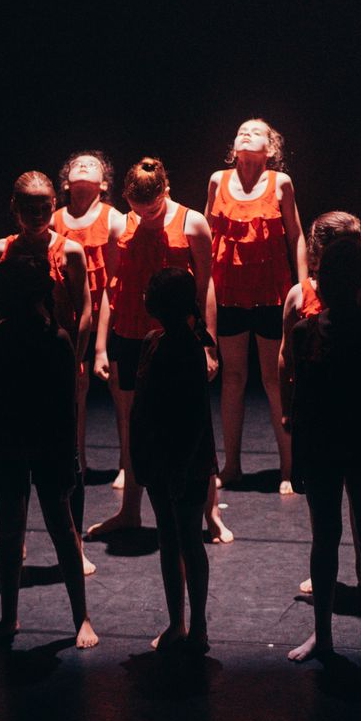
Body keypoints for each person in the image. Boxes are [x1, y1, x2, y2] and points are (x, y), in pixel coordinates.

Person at [84, 158, 218, 540]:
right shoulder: (119, 225)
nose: (144, 215)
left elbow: (206, 286)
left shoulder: (192, 223)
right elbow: (111, 286)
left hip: (177, 338)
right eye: (137, 209)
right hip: (131, 335)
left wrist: (208, 344)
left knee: (192, 421)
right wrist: (100, 346)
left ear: (166, 191)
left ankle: (210, 514)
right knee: (134, 424)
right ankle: (130, 510)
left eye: (152, 208)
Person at [0, 255, 99, 651]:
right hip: (11, 442)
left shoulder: (56, 340)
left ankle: (81, 617)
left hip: (42, 445)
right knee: (15, 531)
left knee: (60, 530)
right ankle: (9, 617)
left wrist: (69, 458)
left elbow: (66, 407)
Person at [281, 238, 361, 665]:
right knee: (337, 538)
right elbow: (302, 404)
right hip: (334, 448)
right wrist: (297, 460)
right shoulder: (308, 332)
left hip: (352, 446)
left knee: (359, 537)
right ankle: (328, 632)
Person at [0, 171, 95, 575]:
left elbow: (85, 310)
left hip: (56, 367)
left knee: (66, 458)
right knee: (13, 459)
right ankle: (12, 544)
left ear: (54, 206)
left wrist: (75, 363)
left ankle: (75, 544)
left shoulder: (70, 251)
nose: (37, 215)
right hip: (15, 369)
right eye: (29, 208)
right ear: (15, 208)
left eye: (44, 207)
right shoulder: (2, 250)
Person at [207, 119, 306, 495]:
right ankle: (232, 465)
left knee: (274, 378)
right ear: (233, 147)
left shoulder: (280, 183)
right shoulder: (217, 181)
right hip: (228, 293)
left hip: (271, 293)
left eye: (257, 131)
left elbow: (296, 236)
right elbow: (206, 234)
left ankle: (289, 466)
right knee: (232, 378)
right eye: (242, 130)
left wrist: (303, 286)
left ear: (271, 149)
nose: (247, 133)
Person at [131, 267, 217, 654]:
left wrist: (182, 466)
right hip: (157, 457)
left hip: (186, 460)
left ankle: (198, 625)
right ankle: (176, 623)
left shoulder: (188, 348)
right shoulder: (152, 341)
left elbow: (196, 416)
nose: (144, 296)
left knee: (189, 539)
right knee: (168, 538)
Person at [50, 151, 126, 481]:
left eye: (91, 164)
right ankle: (75, 461)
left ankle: (127, 465)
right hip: (69, 316)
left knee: (120, 390)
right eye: (76, 164)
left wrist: (101, 345)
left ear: (104, 184)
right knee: (74, 390)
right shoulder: (54, 219)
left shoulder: (113, 218)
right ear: (66, 183)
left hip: (110, 313)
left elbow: (113, 280)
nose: (83, 165)